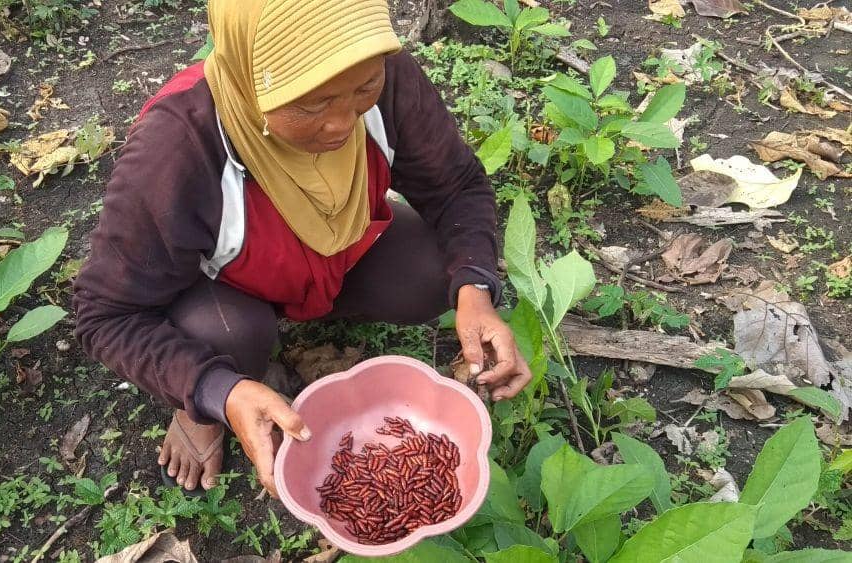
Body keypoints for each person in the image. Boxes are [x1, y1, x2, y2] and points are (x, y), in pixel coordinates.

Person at [73, 0, 533, 497]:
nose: (341, 124)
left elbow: (456, 186)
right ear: (254, 82)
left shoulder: (381, 71)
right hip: (222, 283)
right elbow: (105, 315)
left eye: (362, 91)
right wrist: (216, 392)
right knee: (227, 336)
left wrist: (475, 287)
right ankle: (199, 411)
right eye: (311, 103)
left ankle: (312, 304)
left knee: (435, 270)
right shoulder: (177, 149)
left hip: (336, 251)